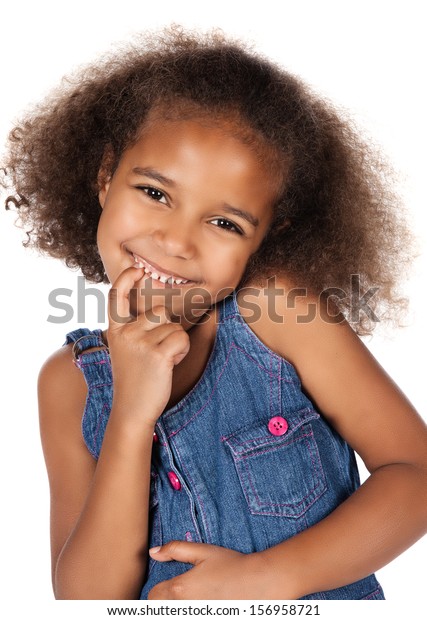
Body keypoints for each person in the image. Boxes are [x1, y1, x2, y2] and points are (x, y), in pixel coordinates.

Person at [2, 27, 426, 601]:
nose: (176, 241)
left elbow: (415, 474)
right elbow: (86, 599)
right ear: (105, 179)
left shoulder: (277, 314)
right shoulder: (69, 383)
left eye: (225, 223)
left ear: (266, 238)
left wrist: (264, 579)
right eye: (155, 192)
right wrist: (131, 412)